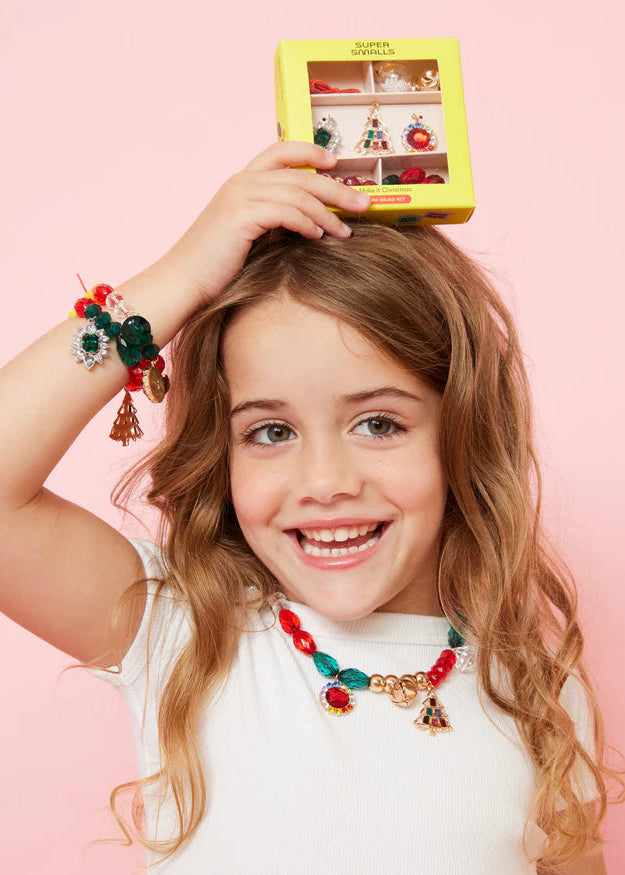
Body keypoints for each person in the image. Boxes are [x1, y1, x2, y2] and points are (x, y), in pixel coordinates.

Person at [0, 141, 620, 874]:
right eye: (271, 431)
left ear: (462, 435)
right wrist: (182, 274)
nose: (323, 480)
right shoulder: (183, 636)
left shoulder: (541, 694)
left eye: (379, 423)